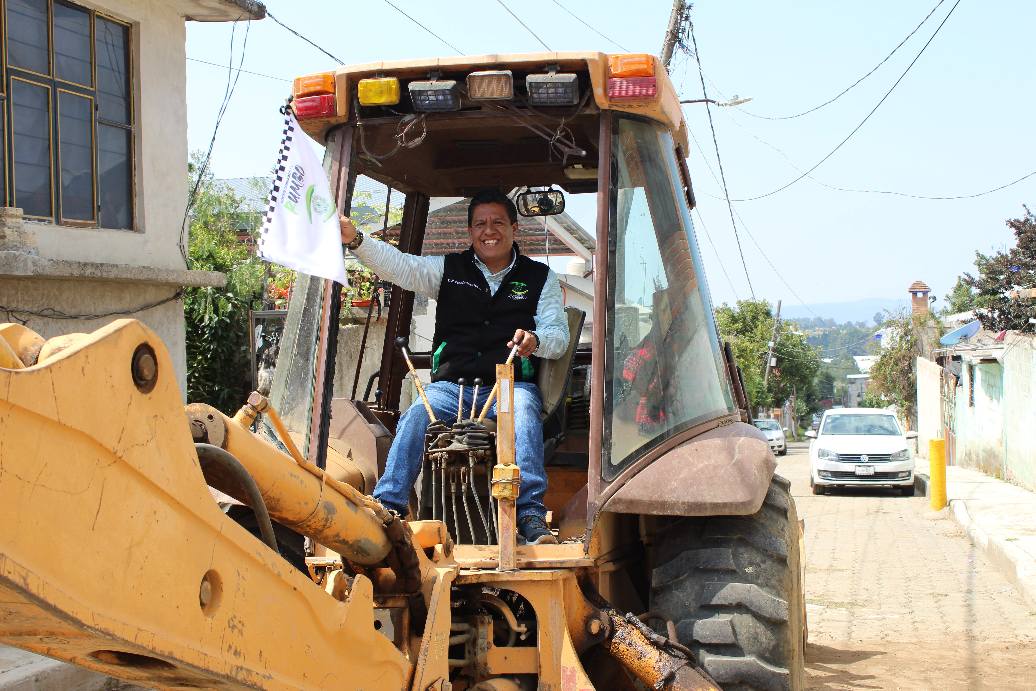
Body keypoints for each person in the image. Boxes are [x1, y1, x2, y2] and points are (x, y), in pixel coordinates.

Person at [339, 189, 570, 545]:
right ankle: (389, 506)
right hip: (450, 387)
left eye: (497, 222)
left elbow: (558, 335)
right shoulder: (447, 269)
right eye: (480, 224)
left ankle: (530, 516)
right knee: (416, 415)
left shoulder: (541, 277)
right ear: (470, 232)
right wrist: (355, 239)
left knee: (523, 412)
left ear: (514, 228)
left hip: (507, 384)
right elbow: (399, 265)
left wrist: (535, 341)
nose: (488, 230)